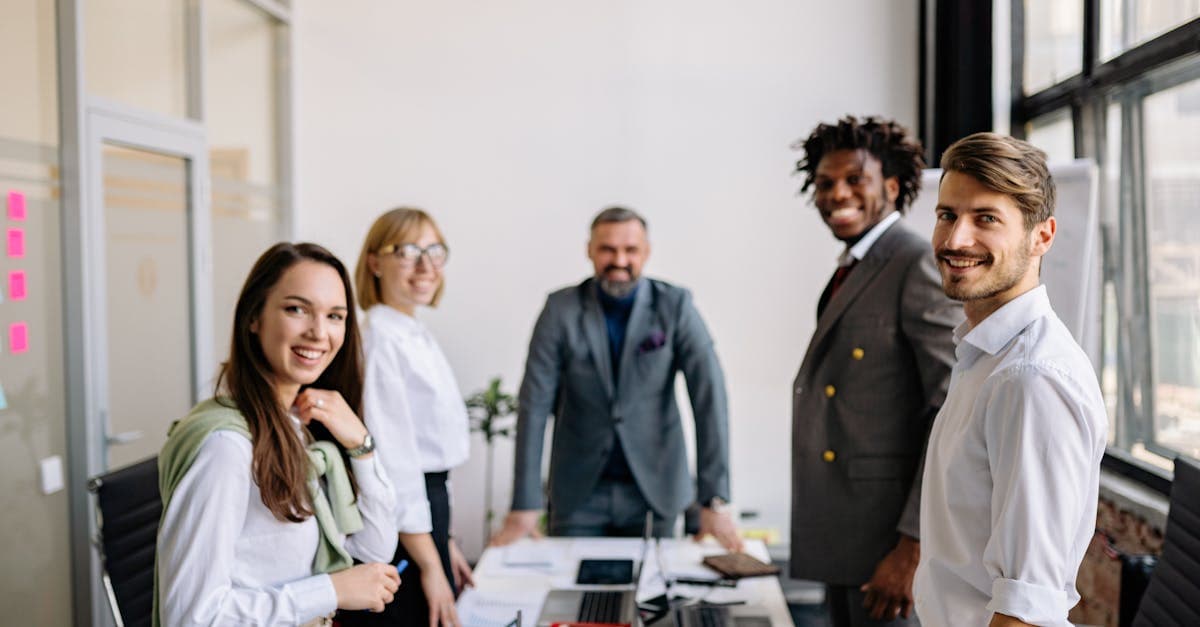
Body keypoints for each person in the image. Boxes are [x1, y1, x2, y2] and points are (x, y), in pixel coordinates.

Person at [912, 133, 1106, 626]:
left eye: (986, 219)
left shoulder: (1030, 378)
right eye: (947, 215)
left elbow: (1025, 608)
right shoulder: (984, 356)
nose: (956, 240)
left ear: (1042, 236)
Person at [156, 242, 400, 626]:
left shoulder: (297, 426)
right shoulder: (227, 448)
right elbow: (192, 617)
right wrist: (331, 591)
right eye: (297, 309)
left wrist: (361, 446)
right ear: (254, 317)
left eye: (335, 316)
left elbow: (375, 548)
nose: (319, 332)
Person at [789, 116, 962, 626]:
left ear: (890, 186)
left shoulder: (914, 263)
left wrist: (913, 547)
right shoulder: (857, 266)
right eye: (824, 183)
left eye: (853, 180)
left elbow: (948, 411)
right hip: (847, 532)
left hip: (888, 545)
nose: (836, 193)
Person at [490, 206, 742, 550]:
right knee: (573, 599)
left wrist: (713, 499)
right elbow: (534, 405)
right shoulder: (559, 310)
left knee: (652, 599)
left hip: (657, 490)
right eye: (607, 249)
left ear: (646, 252)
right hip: (578, 493)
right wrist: (525, 502)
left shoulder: (676, 306)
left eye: (630, 250)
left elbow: (709, 397)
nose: (619, 260)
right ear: (589, 250)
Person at [340, 208, 475, 627]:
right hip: (400, 523)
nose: (426, 265)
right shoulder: (380, 340)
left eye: (435, 251)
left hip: (427, 515)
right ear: (375, 262)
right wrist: (430, 566)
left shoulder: (411, 331)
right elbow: (396, 468)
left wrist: (444, 541)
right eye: (408, 251)